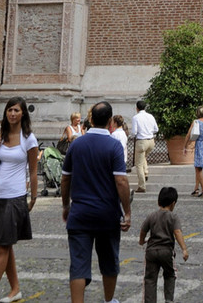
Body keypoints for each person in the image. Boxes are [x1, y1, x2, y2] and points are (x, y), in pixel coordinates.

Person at [62, 101, 132, 303]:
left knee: (78, 265)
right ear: (110, 121)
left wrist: (66, 205)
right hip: (107, 214)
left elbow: (65, 177)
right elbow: (121, 180)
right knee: (109, 261)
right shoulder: (114, 145)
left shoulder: (77, 144)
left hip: (80, 213)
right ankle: (109, 301)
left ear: (90, 119)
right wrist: (126, 212)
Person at [0, 97, 39, 303]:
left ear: (23, 113)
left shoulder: (29, 139)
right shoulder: (0, 134)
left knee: (1, 248)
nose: (12, 114)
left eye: (16, 110)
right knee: (5, 244)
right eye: (9, 110)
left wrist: (33, 197)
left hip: (15, 197)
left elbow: (33, 171)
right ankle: (15, 289)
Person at [139, 187, 189, 303]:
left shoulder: (151, 216)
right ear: (173, 203)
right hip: (167, 251)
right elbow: (177, 232)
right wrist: (184, 249)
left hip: (151, 251)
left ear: (158, 201)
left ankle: (150, 301)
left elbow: (143, 230)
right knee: (170, 275)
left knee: (150, 279)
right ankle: (168, 299)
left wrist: (141, 241)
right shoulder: (173, 217)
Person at [183, 106, 203, 197]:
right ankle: (196, 188)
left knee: (198, 168)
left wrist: (185, 146)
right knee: (198, 168)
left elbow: (188, 134)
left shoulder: (196, 122)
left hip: (199, 144)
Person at [132, 100, 158, 193]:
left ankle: (142, 186)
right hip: (151, 141)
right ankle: (146, 171)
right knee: (143, 157)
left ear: (137, 108)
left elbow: (134, 132)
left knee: (138, 164)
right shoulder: (150, 116)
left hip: (141, 141)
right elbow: (156, 129)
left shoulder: (136, 118)